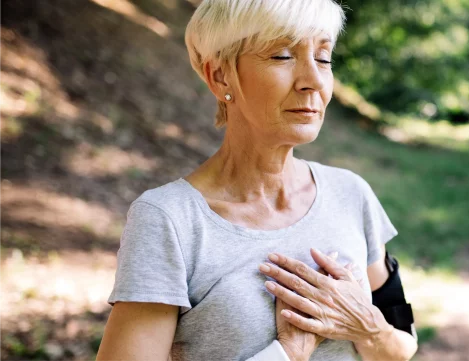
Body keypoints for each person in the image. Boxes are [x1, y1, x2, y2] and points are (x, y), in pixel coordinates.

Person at [95, 0, 418, 360]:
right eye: (282, 55)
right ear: (220, 76)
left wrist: (368, 329)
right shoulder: (169, 220)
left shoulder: (351, 194)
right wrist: (286, 354)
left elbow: (402, 342)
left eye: (323, 58)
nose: (313, 80)